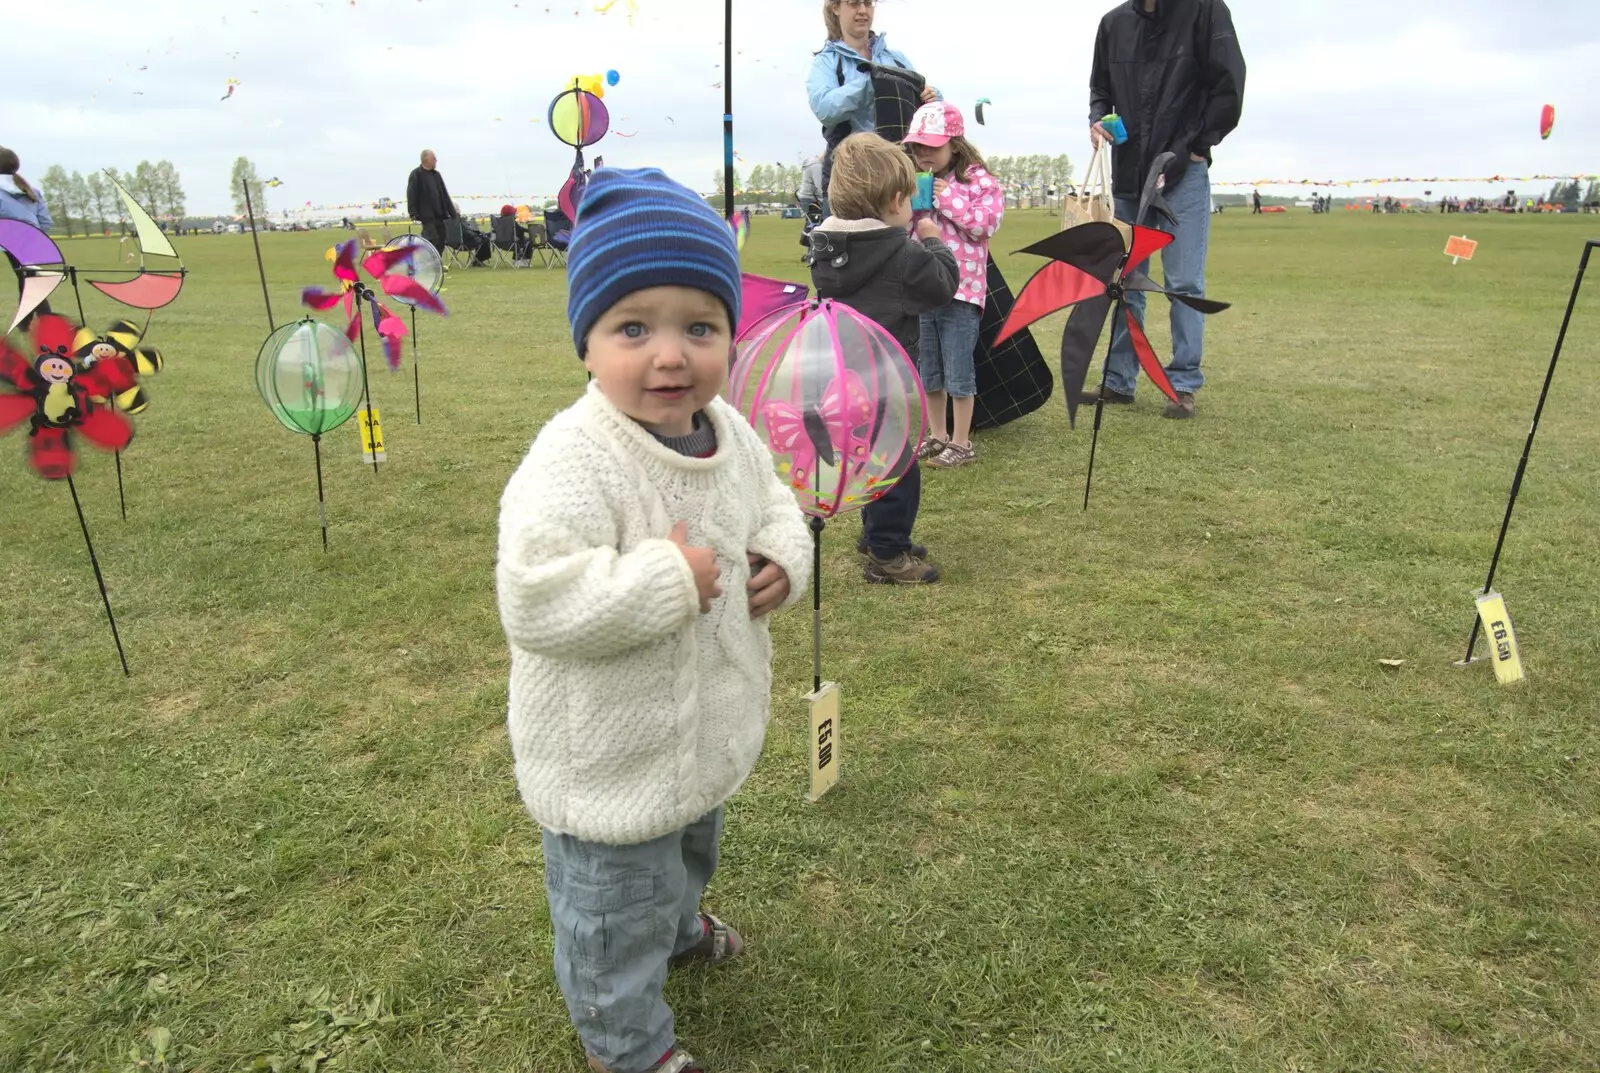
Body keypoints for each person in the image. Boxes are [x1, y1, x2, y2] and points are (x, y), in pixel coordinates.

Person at [496, 167, 811, 1073]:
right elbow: (537, 595)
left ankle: (678, 927)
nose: (670, 355)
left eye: (699, 328)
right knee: (610, 916)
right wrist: (671, 577)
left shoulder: (731, 431)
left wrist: (781, 560)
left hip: (696, 733)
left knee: (685, 849)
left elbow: (775, 505)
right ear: (586, 342)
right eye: (634, 328)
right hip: (608, 759)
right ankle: (625, 1044)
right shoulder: (574, 456)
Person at [807, 133, 958, 584]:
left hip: (843, 379)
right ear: (895, 200)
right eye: (910, 197)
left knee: (869, 457)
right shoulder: (903, 253)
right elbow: (942, 286)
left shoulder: (826, 249)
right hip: (886, 380)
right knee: (897, 466)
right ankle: (888, 555)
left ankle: (877, 535)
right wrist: (932, 240)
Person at [1085, 0, 1244, 420]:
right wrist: (1098, 119)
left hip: (1182, 171)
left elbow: (1229, 82)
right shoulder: (1112, 24)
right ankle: (1119, 379)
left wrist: (1198, 145)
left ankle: (1183, 383)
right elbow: (1100, 90)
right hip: (1129, 174)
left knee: (1185, 282)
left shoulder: (1205, 10)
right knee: (1126, 280)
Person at [901, 102, 1004, 469]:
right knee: (929, 368)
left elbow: (985, 224)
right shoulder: (917, 182)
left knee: (959, 369)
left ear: (955, 144)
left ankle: (962, 442)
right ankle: (938, 435)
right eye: (918, 146)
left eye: (932, 145)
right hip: (925, 290)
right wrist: (910, 206)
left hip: (962, 292)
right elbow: (905, 230)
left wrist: (947, 197)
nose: (923, 153)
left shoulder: (980, 182)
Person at [806, 0, 939, 204]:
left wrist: (933, 97)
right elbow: (825, 109)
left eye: (868, 3)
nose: (862, 11)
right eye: (853, 3)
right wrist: (872, 83)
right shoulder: (826, 61)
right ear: (835, 8)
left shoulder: (897, 58)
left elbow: (928, 111)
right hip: (851, 179)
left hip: (902, 175)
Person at [1, 147, 56, 331]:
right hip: (34, 239)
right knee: (27, 279)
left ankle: (49, 323)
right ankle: (24, 325)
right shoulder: (32, 190)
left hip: (11, 241)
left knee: (29, 282)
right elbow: (46, 221)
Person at [405, 149, 458, 254]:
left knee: (441, 239)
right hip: (426, 215)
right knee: (432, 238)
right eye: (434, 158)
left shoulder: (436, 175)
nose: (436, 160)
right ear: (426, 159)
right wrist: (413, 213)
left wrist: (452, 212)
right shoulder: (416, 174)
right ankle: (427, 261)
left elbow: (444, 194)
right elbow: (411, 194)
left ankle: (437, 263)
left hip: (439, 214)